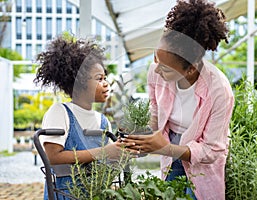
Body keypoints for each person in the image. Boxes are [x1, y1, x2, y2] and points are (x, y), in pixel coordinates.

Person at [122, 0, 234, 199]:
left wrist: (164, 148)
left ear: (190, 69)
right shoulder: (156, 71)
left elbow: (212, 150)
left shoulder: (219, 91)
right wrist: (140, 132)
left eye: (164, 67)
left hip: (201, 159)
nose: (156, 69)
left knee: (197, 194)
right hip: (171, 142)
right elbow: (156, 111)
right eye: (155, 59)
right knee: (167, 193)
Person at [34, 35, 133, 200]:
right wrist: (103, 152)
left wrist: (124, 149)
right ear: (78, 83)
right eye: (99, 79)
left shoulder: (103, 121)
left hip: (98, 194)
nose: (106, 83)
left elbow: (109, 160)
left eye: (105, 78)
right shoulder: (60, 112)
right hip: (65, 195)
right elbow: (52, 157)